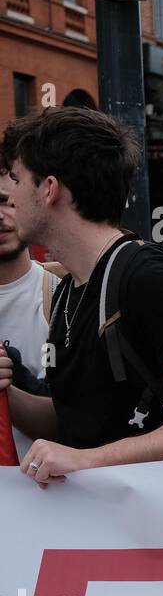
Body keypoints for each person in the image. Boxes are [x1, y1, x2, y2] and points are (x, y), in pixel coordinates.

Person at [0, 107, 163, 485]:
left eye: (18, 181)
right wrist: (9, 393)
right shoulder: (72, 290)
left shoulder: (149, 277)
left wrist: (91, 460)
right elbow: (71, 418)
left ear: (49, 189)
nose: (11, 198)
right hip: (120, 532)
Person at [0, 167, 60, 458]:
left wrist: (7, 392)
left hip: (40, 494)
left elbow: (71, 420)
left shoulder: (62, 299)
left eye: (5, 202)